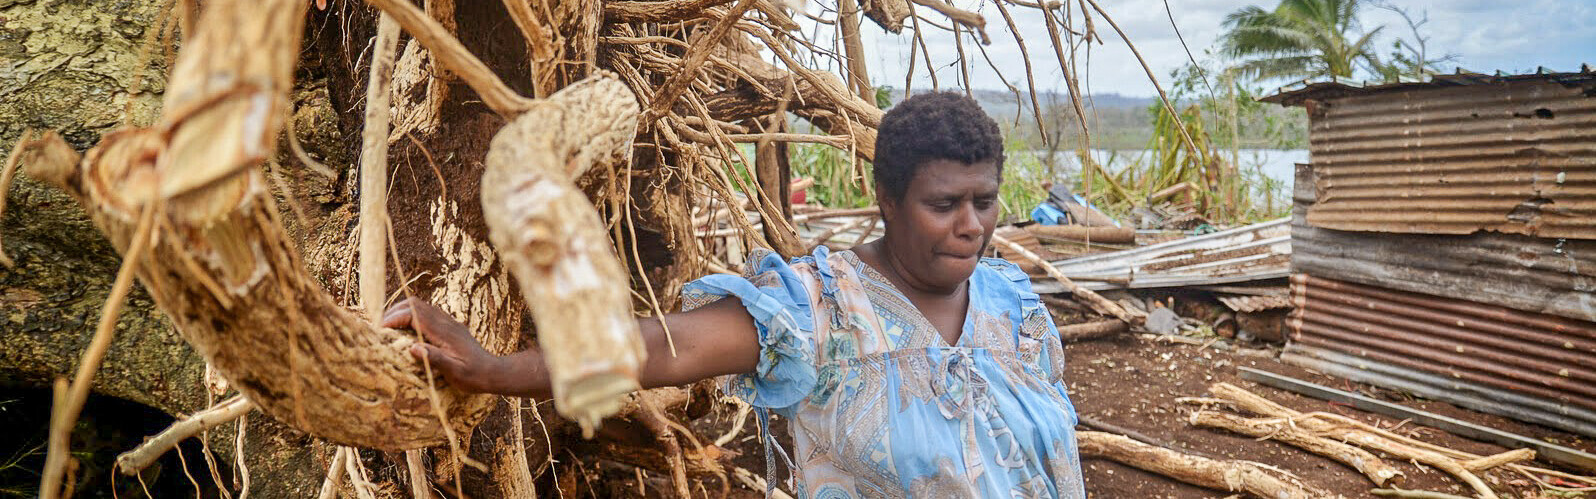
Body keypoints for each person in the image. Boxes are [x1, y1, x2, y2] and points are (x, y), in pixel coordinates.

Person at [384, 91, 1085, 498]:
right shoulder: (821, 310)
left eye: (985, 200)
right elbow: (663, 346)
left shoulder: (1014, 306)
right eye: (944, 203)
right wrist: (496, 369)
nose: (972, 224)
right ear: (888, 200)